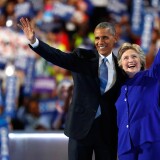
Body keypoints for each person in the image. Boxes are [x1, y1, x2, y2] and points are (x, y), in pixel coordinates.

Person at [17, 17, 126, 160]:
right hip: (80, 128)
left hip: (107, 130)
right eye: (97, 38)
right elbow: (57, 56)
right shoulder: (82, 59)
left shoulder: (122, 67)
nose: (100, 42)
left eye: (105, 37)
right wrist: (34, 42)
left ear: (115, 38)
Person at [116, 42, 160, 160]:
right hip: (125, 146)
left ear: (141, 61)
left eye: (134, 56)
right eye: (126, 58)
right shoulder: (115, 88)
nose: (130, 60)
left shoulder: (151, 77)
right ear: (120, 64)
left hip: (149, 141)